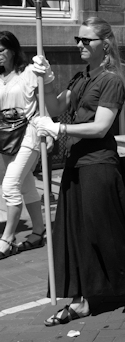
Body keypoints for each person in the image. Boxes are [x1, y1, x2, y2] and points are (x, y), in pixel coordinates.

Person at [31, 17, 125, 325]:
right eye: (78, 39)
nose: (80, 45)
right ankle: (81, 298)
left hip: (99, 163)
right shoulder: (81, 77)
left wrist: (59, 129)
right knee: (74, 231)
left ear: (106, 44)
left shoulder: (111, 80)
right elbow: (56, 107)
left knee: (108, 228)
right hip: (76, 163)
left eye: (87, 40)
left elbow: (101, 127)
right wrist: (46, 80)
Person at [0, 31, 52, 259]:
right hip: (5, 137)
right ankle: (38, 232)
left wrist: (49, 130)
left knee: (10, 185)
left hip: (28, 134)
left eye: (1, 50)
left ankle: (7, 238)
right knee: (26, 185)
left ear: (12, 50)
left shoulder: (29, 72)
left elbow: (44, 99)